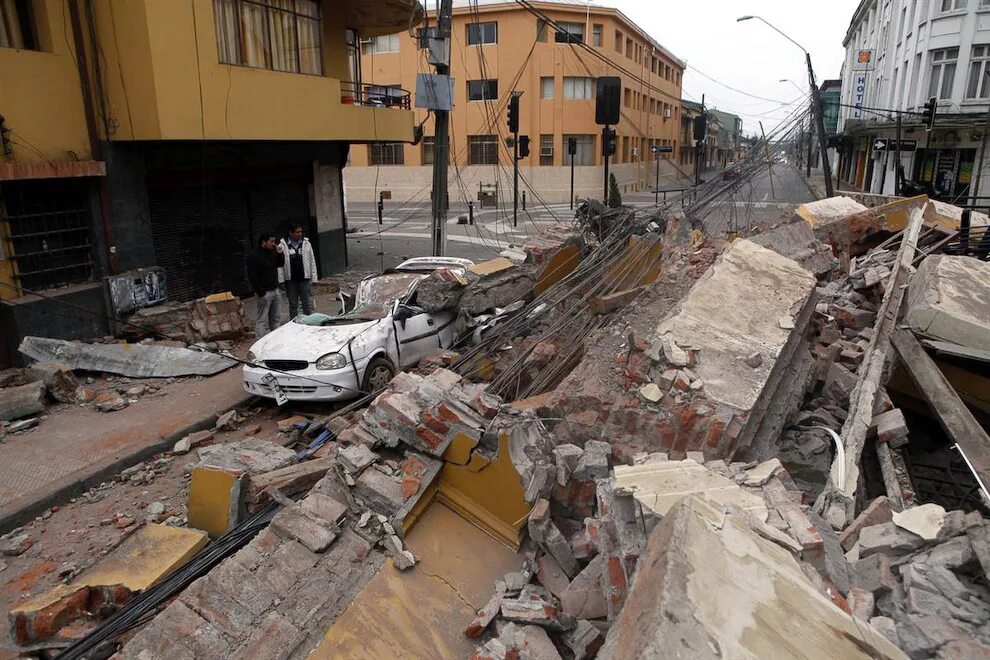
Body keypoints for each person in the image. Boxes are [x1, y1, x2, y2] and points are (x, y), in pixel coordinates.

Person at [278, 222, 319, 319]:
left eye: (301, 232)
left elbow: (312, 261)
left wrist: (314, 278)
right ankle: (294, 323)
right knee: (293, 304)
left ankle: (309, 323)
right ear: (290, 233)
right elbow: (279, 265)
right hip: (291, 280)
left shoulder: (306, 243)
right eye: (297, 232)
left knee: (306, 303)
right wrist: (281, 281)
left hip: (304, 278)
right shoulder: (282, 246)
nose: (300, 234)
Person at [246, 232, 284, 337]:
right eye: (271, 241)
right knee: (262, 320)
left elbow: (280, 264)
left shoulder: (272, 252)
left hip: (275, 290)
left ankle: (276, 340)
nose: (273, 244)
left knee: (275, 319)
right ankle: (260, 342)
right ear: (264, 242)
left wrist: (280, 253)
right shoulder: (254, 256)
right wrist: (259, 291)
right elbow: (252, 275)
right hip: (264, 292)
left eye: (274, 241)